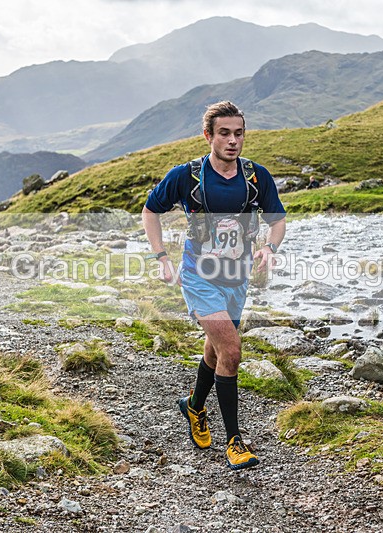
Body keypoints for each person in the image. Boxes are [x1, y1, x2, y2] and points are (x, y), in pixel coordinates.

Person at [142, 101, 286, 470]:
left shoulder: (256, 177)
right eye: (224, 133)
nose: (233, 140)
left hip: (236, 279)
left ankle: (193, 407)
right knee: (232, 351)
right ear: (208, 135)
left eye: (239, 133)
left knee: (216, 350)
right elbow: (150, 211)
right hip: (199, 277)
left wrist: (269, 247)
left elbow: (277, 221)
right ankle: (234, 442)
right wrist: (161, 257)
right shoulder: (187, 176)